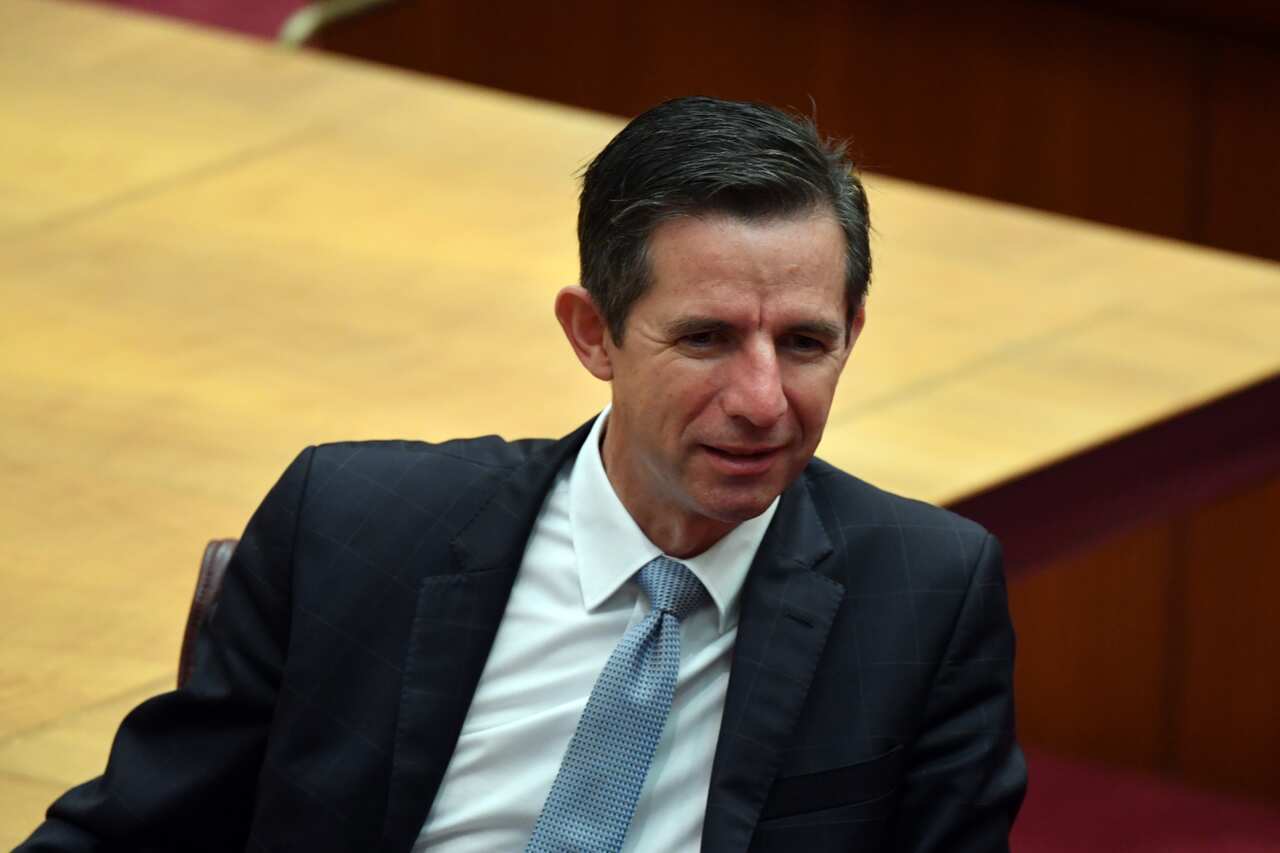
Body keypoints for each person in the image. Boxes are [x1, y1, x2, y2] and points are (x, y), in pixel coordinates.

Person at [19, 96, 1025, 853]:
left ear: (851, 332)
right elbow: (138, 829)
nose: (763, 400)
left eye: (804, 342)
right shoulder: (353, 529)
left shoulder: (925, 594)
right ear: (592, 333)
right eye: (706, 338)